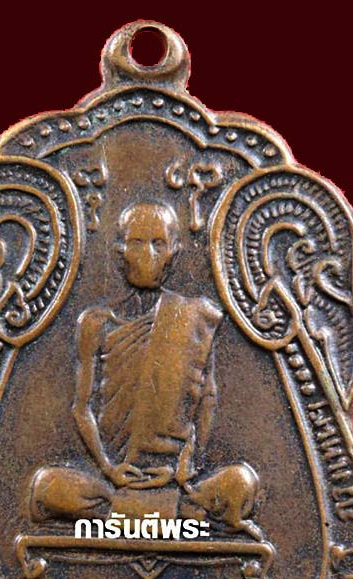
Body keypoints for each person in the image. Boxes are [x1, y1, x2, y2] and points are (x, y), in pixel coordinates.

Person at [30, 202, 261, 540]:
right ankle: (175, 516)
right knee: (46, 486)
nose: (148, 254)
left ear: (174, 251)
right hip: (113, 480)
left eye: (158, 243)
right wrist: (109, 469)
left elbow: (207, 398)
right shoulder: (95, 322)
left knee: (242, 482)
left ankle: (128, 515)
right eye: (136, 243)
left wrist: (185, 467)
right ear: (120, 249)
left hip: (175, 478)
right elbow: (81, 408)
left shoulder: (196, 316)